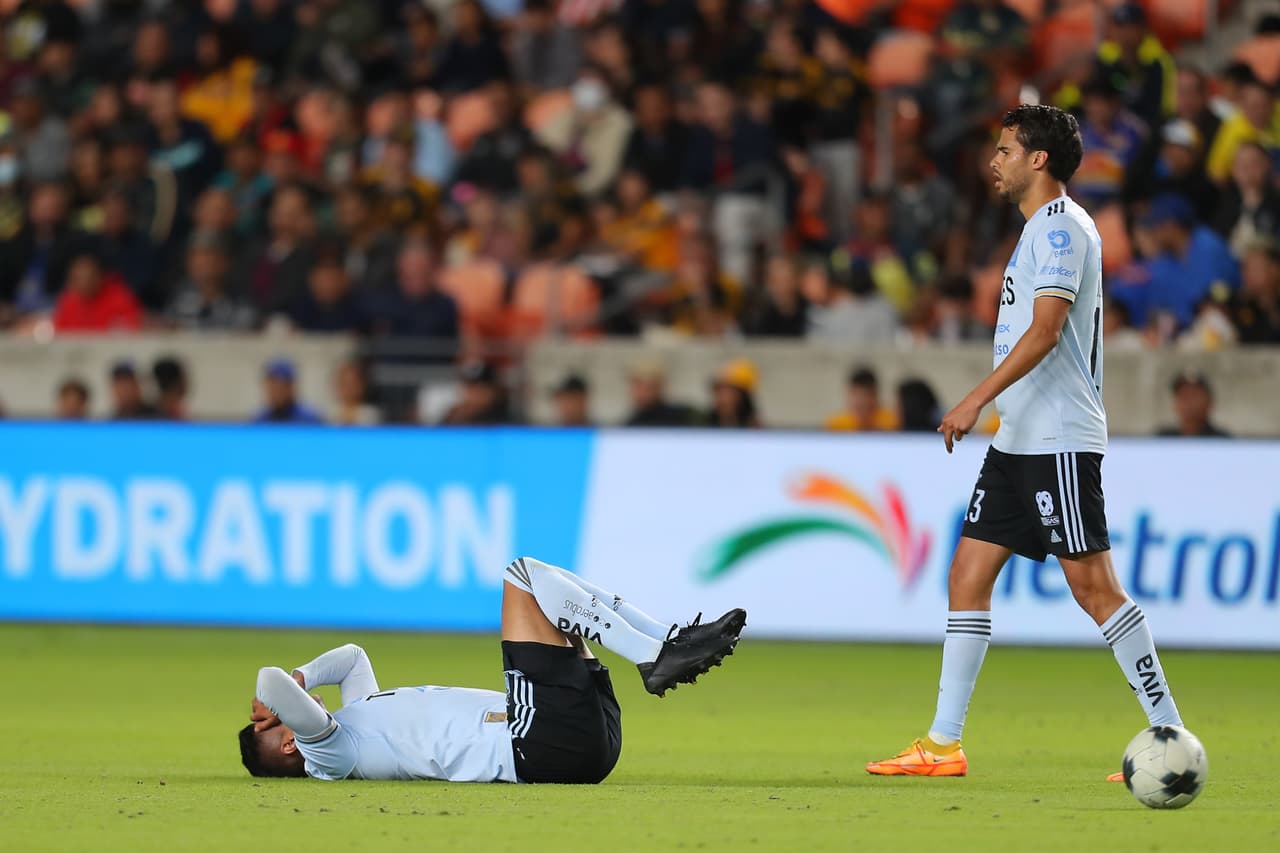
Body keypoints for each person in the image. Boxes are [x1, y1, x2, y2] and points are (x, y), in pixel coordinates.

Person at [866, 105, 1185, 779]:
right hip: (1019, 440)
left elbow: (1045, 330)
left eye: (1006, 149)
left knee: (1094, 587)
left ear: (1038, 160)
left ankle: (1170, 732)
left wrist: (975, 396)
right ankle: (944, 744)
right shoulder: (1039, 229)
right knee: (967, 575)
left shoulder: (1063, 229)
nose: (995, 160)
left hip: (1058, 438)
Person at [240, 556, 747, 781]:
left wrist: (304, 677)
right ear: (290, 742)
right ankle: (653, 655)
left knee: (549, 591)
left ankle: (664, 641)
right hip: (539, 745)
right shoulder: (328, 754)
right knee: (523, 577)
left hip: (574, 741)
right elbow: (270, 680)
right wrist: (285, 688)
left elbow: (352, 657)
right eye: (279, 722)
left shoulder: (358, 719)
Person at [826, 367, 899, 432]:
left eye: (867, 394)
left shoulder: (891, 424)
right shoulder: (836, 426)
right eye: (856, 395)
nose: (861, 401)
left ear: (876, 396)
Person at [1157, 373, 1230, 437]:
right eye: (1184, 396)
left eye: (1195, 396)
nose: (1189, 403)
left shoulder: (1225, 443)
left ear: (1209, 402)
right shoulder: (1161, 441)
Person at [253, 358, 323, 424]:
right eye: (272, 385)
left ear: (292, 387)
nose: (277, 392)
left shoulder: (310, 421)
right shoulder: (259, 422)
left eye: (282, 386)